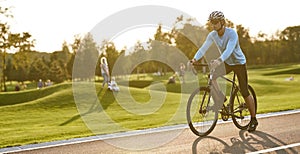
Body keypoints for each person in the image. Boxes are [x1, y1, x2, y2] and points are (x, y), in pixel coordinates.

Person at [191, 11, 258, 132]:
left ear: (222, 22)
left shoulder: (232, 34)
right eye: (212, 23)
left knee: (243, 90)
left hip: (238, 63)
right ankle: (221, 98)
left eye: (216, 22)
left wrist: (219, 60)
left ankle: (253, 119)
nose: (213, 25)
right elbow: (203, 47)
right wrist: (195, 58)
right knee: (212, 76)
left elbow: (229, 49)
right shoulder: (212, 35)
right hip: (227, 63)